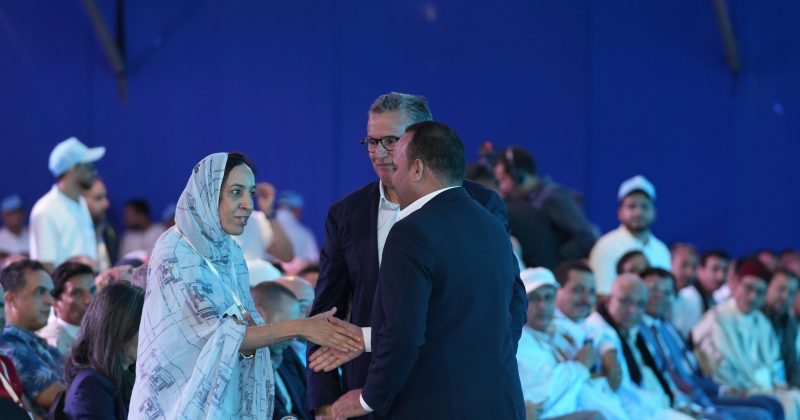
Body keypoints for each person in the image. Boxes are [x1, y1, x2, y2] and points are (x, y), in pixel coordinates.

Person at [306, 92, 526, 418]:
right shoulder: (346, 214)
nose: (380, 153)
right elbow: (326, 312)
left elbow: (512, 298)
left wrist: (482, 360)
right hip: (371, 397)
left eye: (391, 141)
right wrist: (325, 402)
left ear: (422, 142)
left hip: (455, 395)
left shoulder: (481, 204)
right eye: (372, 141)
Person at [128, 152, 360, 419]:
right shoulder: (175, 250)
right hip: (175, 406)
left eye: (250, 193)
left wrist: (249, 342)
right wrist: (302, 327)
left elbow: (240, 332)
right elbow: (217, 335)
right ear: (208, 194)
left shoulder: (230, 253)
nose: (248, 204)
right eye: (236, 192)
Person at [639, 268, 781, 420]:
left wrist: (722, 390)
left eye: (667, 292)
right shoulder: (636, 330)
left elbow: (691, 370)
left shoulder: (666, 327)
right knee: (759, 415)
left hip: (700, 392)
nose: (660, 295)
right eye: (653, 288)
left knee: (772, 405)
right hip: (675, 399)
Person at [692, 258, 800, 418]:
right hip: (733, 391)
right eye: (748, 288)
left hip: (766, 388)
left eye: (760, 292)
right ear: (736, 284)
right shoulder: (716, 319)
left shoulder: (762, 321)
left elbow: (774, 362)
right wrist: (749, 389)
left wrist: (777, 386)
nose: (752, 297)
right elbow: (717, 368)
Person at [516, 267, 622, 420]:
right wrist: (580, 366)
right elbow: (543, 393)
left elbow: (592, 329)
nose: (542, 306)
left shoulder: (559, 329)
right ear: (520, 301)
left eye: (548, 297)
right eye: (533, 298)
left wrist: (607, 350)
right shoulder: (519, 342)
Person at [494, 146, 596, 269]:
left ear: (519, 175)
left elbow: (584, 236)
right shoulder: (517, 201)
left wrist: (555, 261)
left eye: (504, 180)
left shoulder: (552, 197)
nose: (502, 187)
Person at [57, 281, 144, 419]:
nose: (147, 338)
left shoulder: (122, 377)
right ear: (117, 330)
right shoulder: (90, 386)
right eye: (142, 329)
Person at [30, 137, 105, 271]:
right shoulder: (45, 210)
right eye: (88, 166)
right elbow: (45, 267)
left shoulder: (81, 202)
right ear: (72, 169)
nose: (94, 172)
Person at [0, 259, 64, 417]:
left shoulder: (37, 342)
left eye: (51, 293)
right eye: (40, 292)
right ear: (10, 299)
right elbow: (59, 396)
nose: (50, 301)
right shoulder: (8, 341)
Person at [589, 175, 670, 296]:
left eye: (645, 206)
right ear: (619, 212)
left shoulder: (662, 250)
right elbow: (602, 295)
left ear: (654, 212)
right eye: (632, 206)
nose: (638, 212)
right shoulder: (605, 247)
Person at [251, 281, 310, 420]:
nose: (293, 336)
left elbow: (308, 402)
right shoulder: (242, 363)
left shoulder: (286, 353)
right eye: (288, 326)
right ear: (260, 316)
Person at [37, 261, 96, 355]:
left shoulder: (100, 333)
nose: (89, 299)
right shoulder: (52, 343)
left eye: (92, 290)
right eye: (78, 293)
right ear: (55, 301)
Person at [671, 250, 730, 339]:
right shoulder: (687, 297)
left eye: (725, 271)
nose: (720, 276)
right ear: (700, 270)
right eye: (715, 269)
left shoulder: (716, 301)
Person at [763, 269, 800, 387]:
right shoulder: (754, 318)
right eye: (781, 289)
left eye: (791, 293)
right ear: (767, 287)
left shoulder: (790, 323)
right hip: (758, 386)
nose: (785, 296)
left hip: (782, 387)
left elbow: (792, 366)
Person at [84, 177, 119, 270]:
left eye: (105, 197)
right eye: (98, 198)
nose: (106, 204)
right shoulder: (70, 236)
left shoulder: (110, 232)